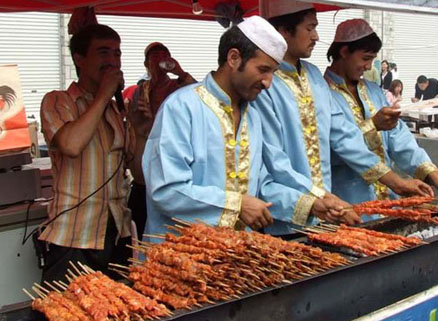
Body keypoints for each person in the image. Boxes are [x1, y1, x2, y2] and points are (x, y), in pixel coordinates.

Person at [254, 1, 428, 229]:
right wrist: (317, 200)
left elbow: (344, 137)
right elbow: (274, 160)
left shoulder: (314, 76)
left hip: (329, 211)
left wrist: (396, 181)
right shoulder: (265, 84)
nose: (316, 36)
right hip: (287, 215)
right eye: (310, 28)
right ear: (284, 31)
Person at [142, 16, 303, 237]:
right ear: (234, 58)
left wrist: (310, 204)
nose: (268, 83)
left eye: (272, 73)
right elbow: (166, 190)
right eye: (263, 70)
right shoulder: (181, 107)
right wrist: (235, 206)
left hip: (234, 260)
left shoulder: (253, 116)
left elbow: (261, 186)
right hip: (178, 257)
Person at [39, 24, 148, 282]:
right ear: (79, 58)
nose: (112, 61)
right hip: (74, 236)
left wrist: (141, 131)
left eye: (117, 54)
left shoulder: (115, 110)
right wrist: (103, 95)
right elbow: (71, 145)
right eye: (103, 53)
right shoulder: (58, 101)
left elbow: (140, 174)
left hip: (116, 233)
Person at [324, 19, 438, 205]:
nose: (369, 67)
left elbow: (398, 136)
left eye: (372, 59)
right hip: (347, 201)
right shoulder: (322, 93)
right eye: (365, 58)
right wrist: (372, 125)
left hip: (388, 199)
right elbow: (337, 146)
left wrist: (433, 173)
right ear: (344, 52)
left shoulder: (374, 91)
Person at [127, 43, 195, 240]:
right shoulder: (141, 89)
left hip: (171, 158)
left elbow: (201, 97)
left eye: (164, 56)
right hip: (145, 161)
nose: (159, 61)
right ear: (146, 63)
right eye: (155, 57)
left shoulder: (177, 86)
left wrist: (180, 72)